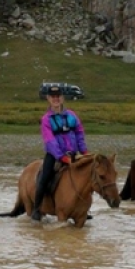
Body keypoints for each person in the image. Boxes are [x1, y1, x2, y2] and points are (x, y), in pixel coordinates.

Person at [32, 84, 88, 220]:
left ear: (62, 98)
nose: (56, 99)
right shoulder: (46, 119)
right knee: (44, 178)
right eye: (53, 97)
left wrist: (84, 151)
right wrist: (61, 157)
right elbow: (50, 141)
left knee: (86, 178)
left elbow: (79, 133)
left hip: (74, 153)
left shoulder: (72, 116)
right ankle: (36, 209)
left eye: (58, 96)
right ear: (48, 98)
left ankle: (83, 208)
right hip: (54, 156)